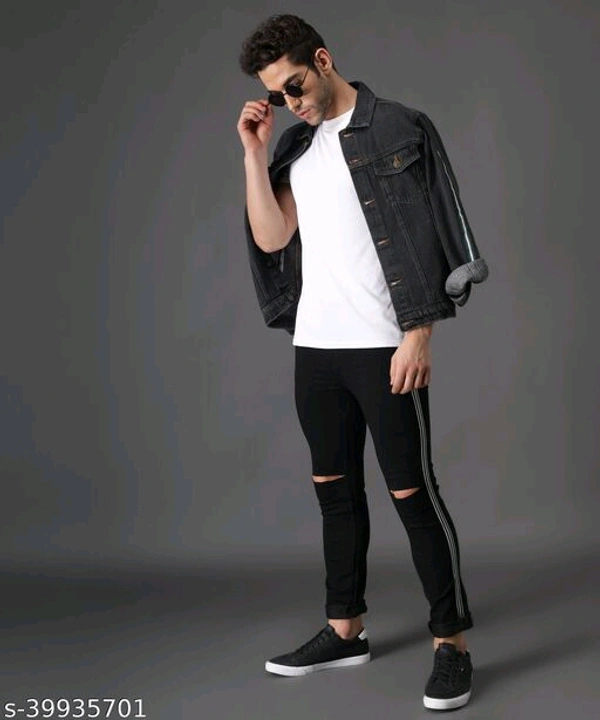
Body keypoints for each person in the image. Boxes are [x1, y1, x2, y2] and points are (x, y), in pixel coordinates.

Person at [236, 14, 488, 711]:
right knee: (335, 494)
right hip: (315, 350)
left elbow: (444, 223)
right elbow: (272, 236)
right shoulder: (295, 144)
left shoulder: (401, 126)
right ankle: (345, 630)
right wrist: (254, 154)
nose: (290, 101)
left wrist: (420, 332)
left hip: (384, 345)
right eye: (278, 93)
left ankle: (452, 645)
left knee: (413, 493)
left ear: (322, 60)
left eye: (295, 84)